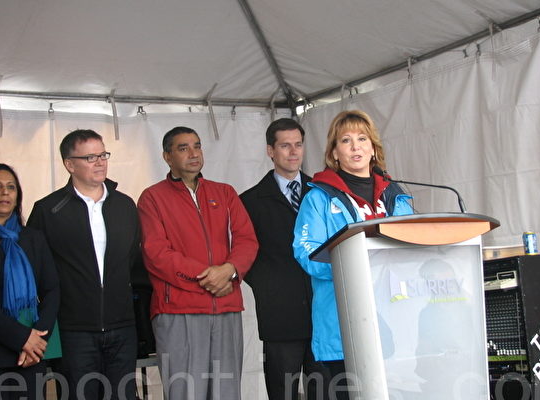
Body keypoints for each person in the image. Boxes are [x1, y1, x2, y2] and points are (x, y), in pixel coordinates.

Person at [293, 110, 413, 400]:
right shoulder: (318, 197)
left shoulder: (396, 194)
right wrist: (351, 270)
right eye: (345, 140)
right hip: (343, 322)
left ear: (373, 148)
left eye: (362, 139)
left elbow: (412, 247)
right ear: (335, 153)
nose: (355, 146)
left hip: (395, 321)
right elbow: (306, 252)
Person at [137, 126, 258, 400]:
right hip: (179, 310)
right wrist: (208, 278)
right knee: (186, 392)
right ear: (167, 156)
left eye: (197, 146)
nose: (193, 153)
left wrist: (229, 271)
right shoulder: (153, 197)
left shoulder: (224, 192)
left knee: (227, 392)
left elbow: (247, 240)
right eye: (183, 148)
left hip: (225, 306)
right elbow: (157, 254)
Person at [28, 130, 140, 399]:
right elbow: (35, 269)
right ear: (70, 164)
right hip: (73, 330)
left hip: (122, 327)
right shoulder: (48, 209)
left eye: (103, 155)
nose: (100, 162)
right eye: (90, 157)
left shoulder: (125, 205)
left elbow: (132, 260)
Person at [240, 118, 327, 400]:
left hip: (322, 313)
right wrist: (269, 286)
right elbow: (244, 254)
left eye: (298, 145)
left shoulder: (323, 193)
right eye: (285, 145)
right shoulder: (250, 201)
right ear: (270, 150)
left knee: (326, 392)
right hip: (280, 316)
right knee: (283, 392)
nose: (293, 152)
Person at [0, 164, 60, 400]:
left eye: (11, 187)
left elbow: (52, 290)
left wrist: (38, 341)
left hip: (30, 357)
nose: (5, 192)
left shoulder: (32, 238)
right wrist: (22, 338)